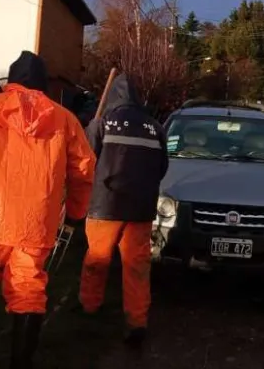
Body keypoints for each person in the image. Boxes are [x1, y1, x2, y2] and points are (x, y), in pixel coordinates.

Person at [0, 51, 95, 369]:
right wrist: (75, 214)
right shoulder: (64, 119)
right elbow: (83, 171)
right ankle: (20, 361)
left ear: (10, 81)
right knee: (28, 289)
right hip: (35, 223)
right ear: (44, 83)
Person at [78, 73, 168, 346]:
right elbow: (162, 168)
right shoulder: (156, 127)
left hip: (105, 206)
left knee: (97, 259)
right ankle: (136, 322)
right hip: (140, 209)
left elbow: (84, 161)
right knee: (137, 266)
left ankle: (89, 306)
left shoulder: (101, 123)